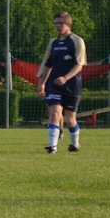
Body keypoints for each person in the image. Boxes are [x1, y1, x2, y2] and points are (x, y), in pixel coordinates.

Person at [36, 11, 87, 154]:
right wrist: (41, 83)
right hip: (54, 85)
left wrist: (65, 78)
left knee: (70, 119)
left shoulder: (77, 41)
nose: (58, 26)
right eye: (56, 23)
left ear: (68, 24)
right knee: (55, 113)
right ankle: (52, 147)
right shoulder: (53, 42)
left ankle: (75, 144)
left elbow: (79, 65)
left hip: (72, 85)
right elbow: (47, 64)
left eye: (61, 23)